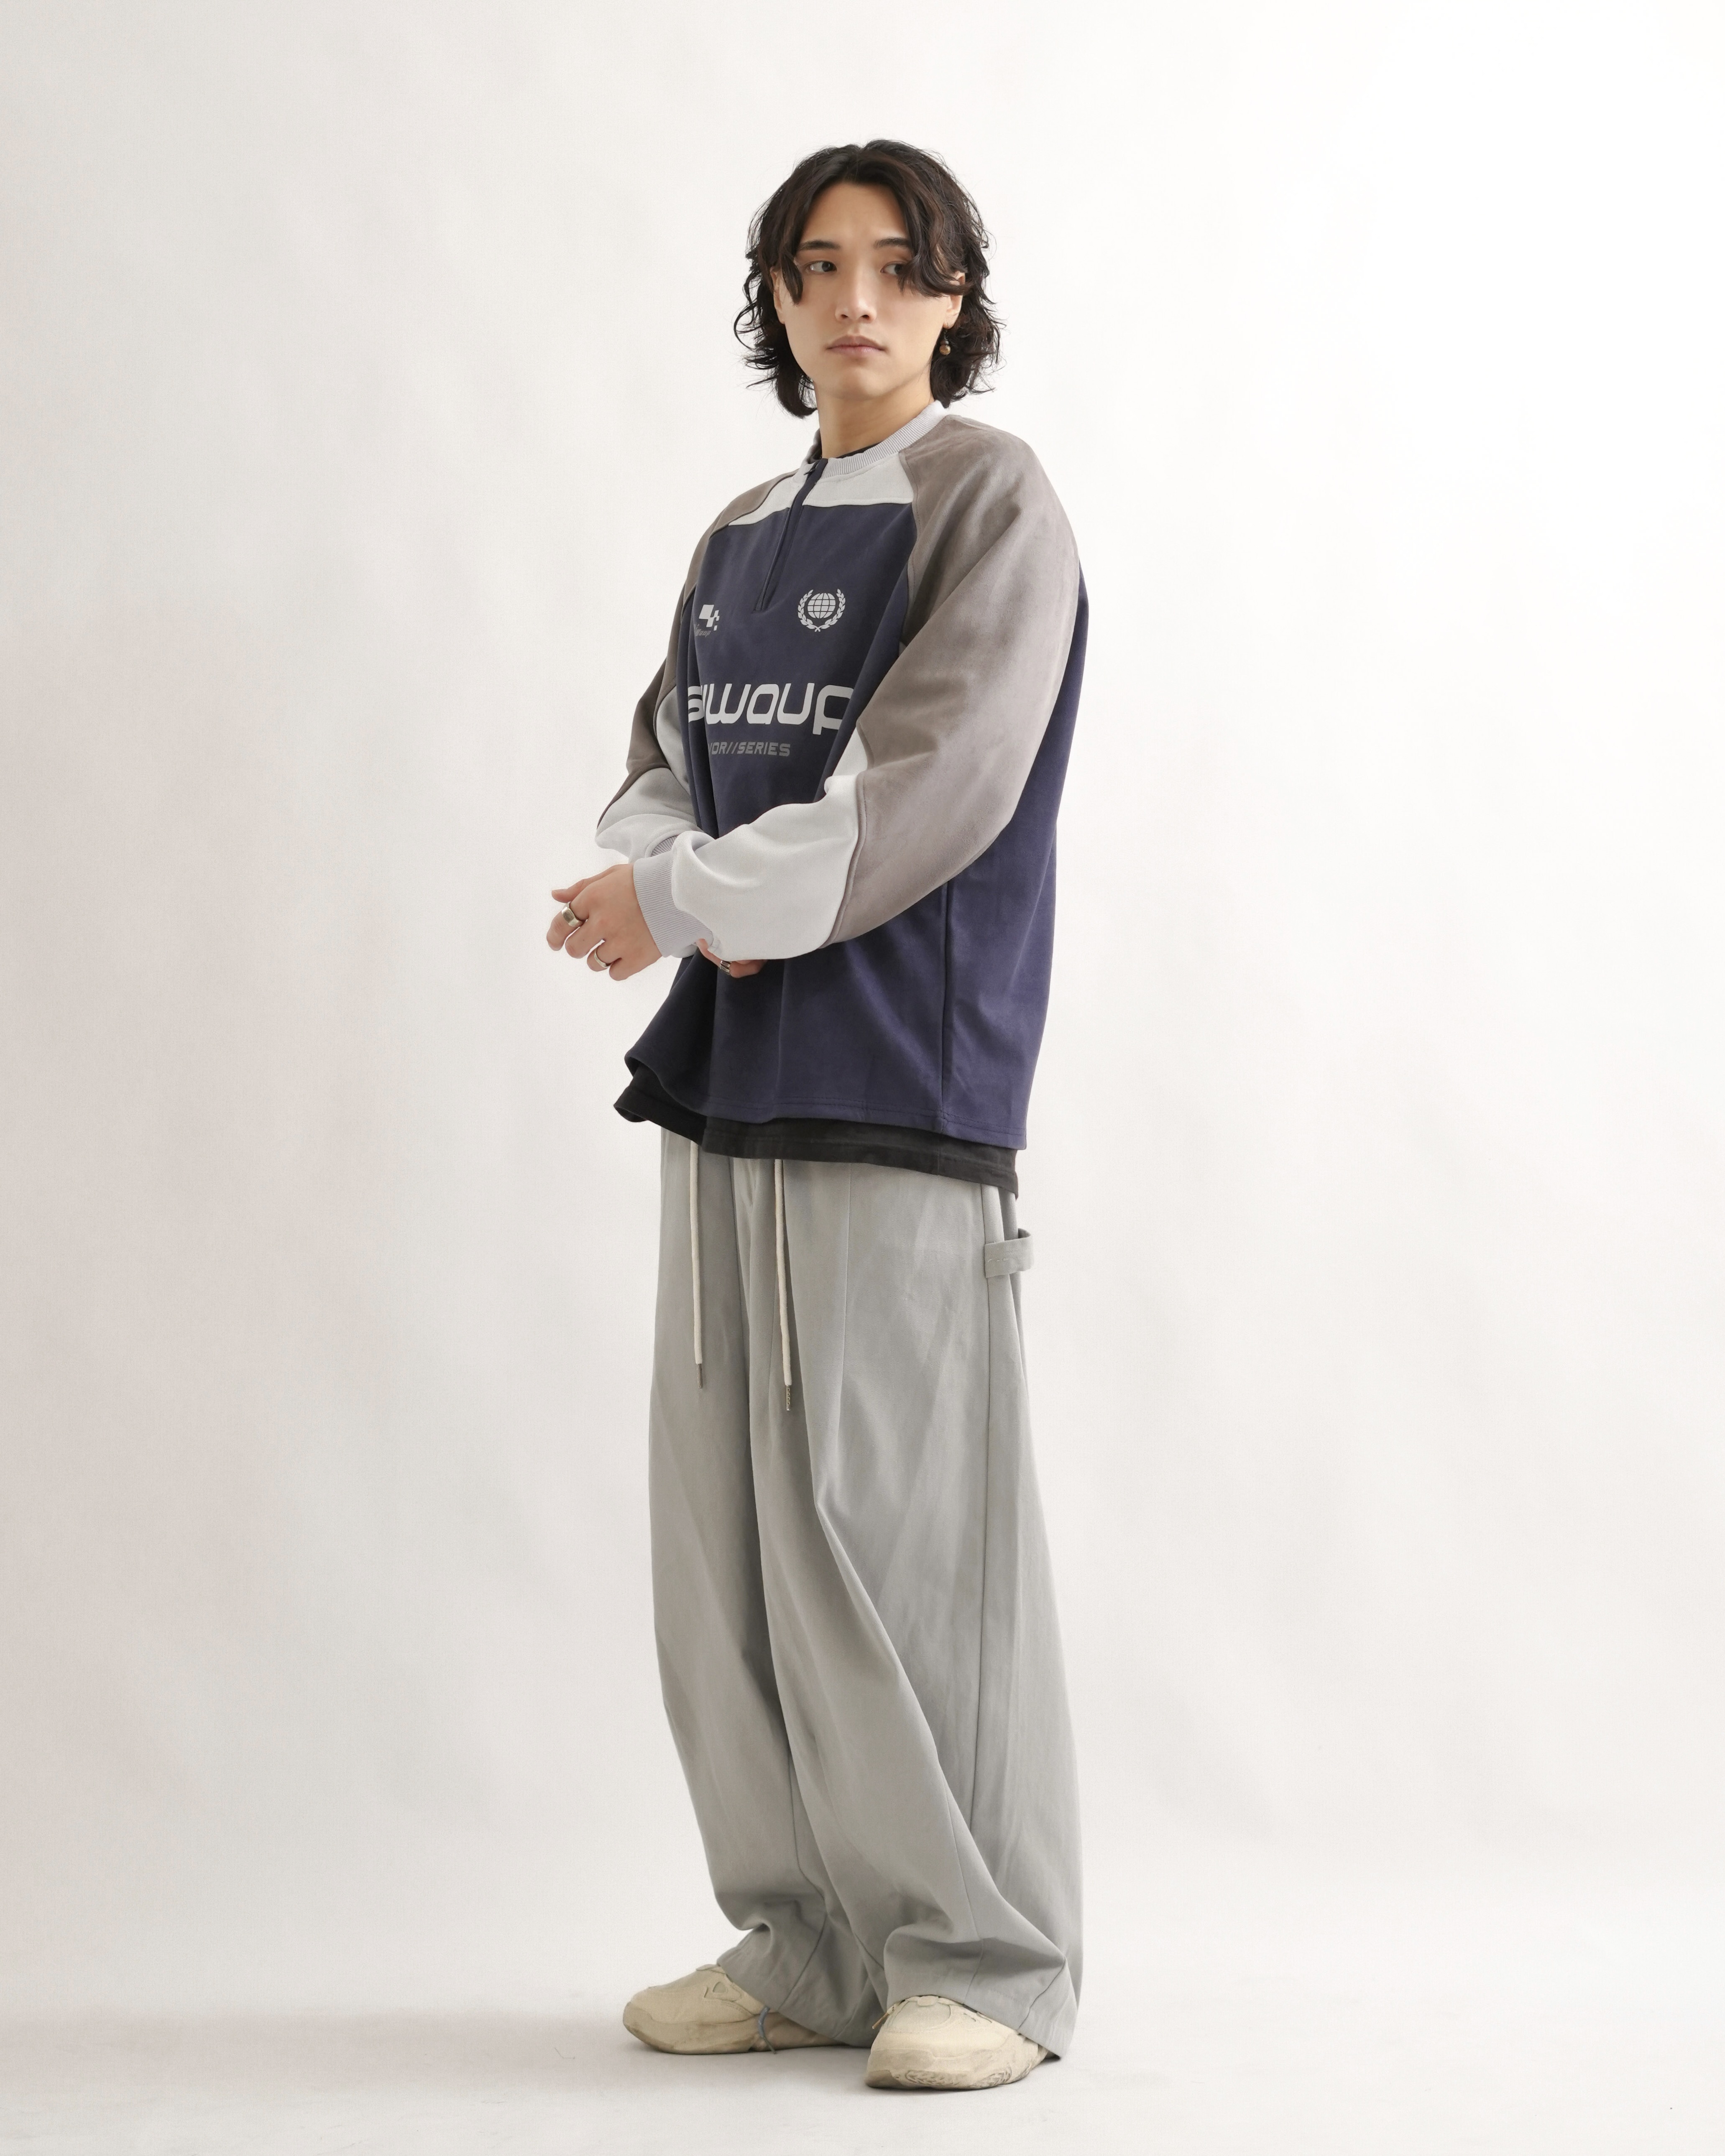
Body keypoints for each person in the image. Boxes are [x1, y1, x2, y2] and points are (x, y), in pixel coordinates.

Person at [547, 139, 1086, 2094]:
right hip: (731, 1085)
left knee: (898, 1542)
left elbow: (922, 792)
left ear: (955, 299)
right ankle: (804, 1939)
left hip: (898, 1077)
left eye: (898, 267)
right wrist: (664, 879)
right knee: (734, 1551)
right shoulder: (741, 535)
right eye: (817, 267)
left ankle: (987, 1960)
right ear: (776, 301)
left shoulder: (992, 503)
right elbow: (663, 761)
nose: (856, 301)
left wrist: (681, 900)